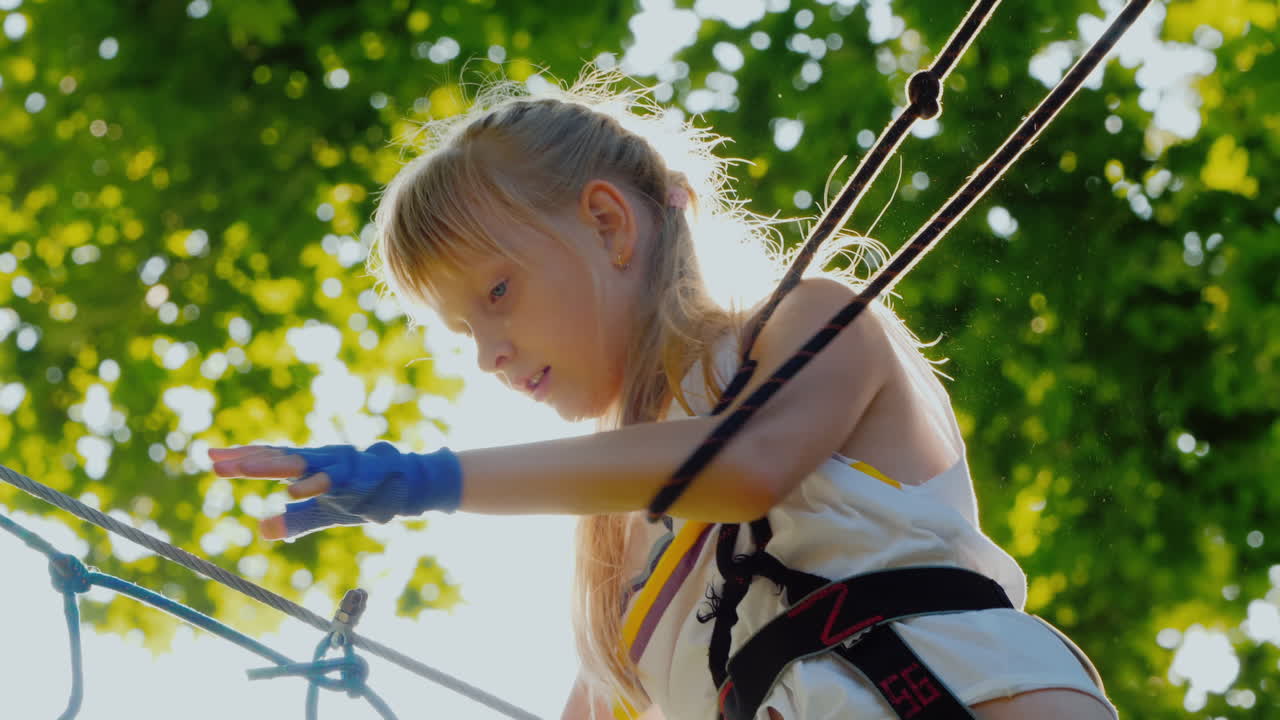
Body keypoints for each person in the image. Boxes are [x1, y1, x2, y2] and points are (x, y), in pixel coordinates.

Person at [208, 67, 1117, 720]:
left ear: (608, 223)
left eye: (496, 294)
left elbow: (744, 467)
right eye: (463, 335)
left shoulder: (811, 320)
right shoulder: (613, 554)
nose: (487, 354)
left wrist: (426, 481)